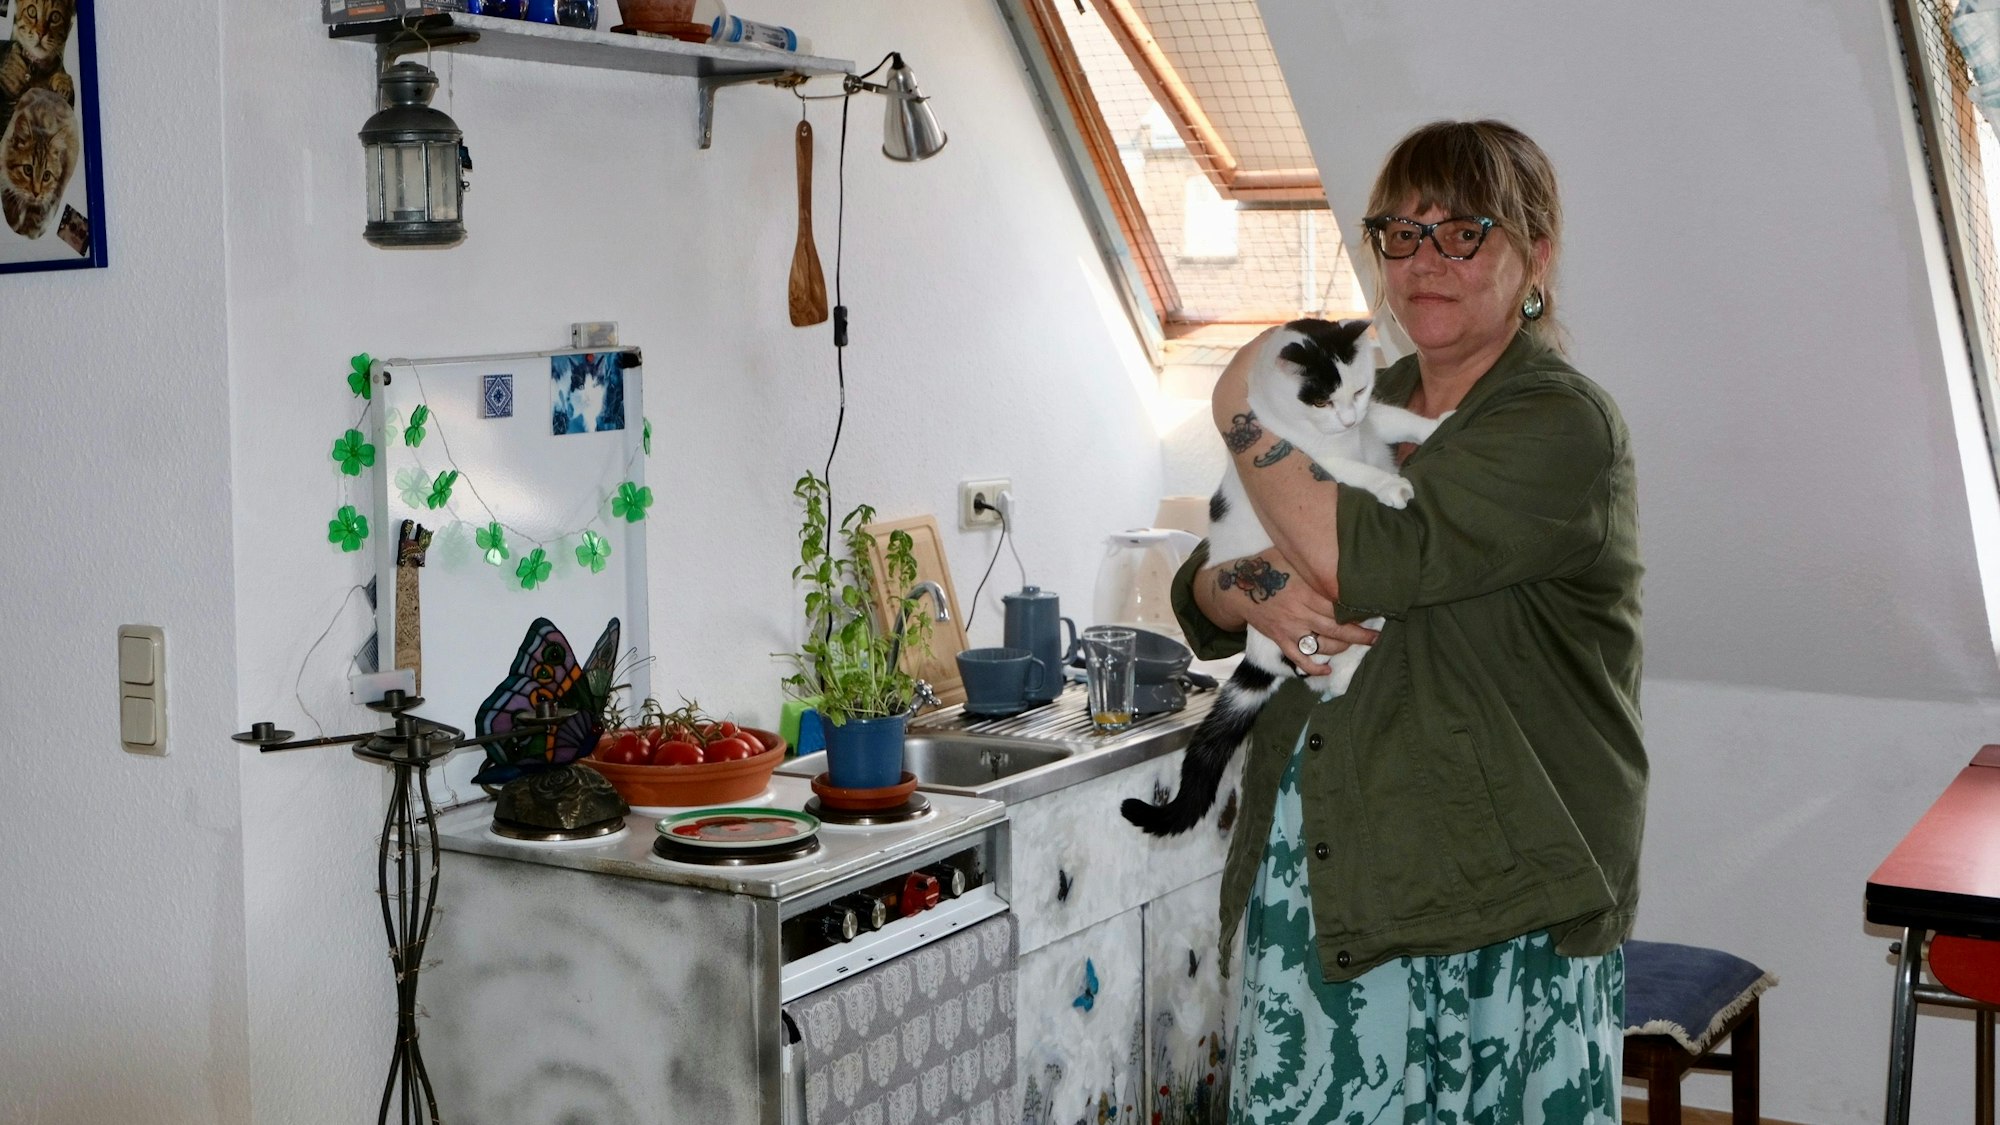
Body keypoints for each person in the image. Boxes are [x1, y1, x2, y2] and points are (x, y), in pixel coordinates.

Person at [1170, 119, 1645, 1122]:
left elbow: (1359, 559)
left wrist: (1241, 406)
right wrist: (1250, 585)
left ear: (1535, 256)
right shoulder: (1354, 403)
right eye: (1401, 232)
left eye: (1464, 232)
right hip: (1328, 852)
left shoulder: (1558, 423)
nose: (1426, 260)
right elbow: (1200, 584)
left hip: (1499, 886)